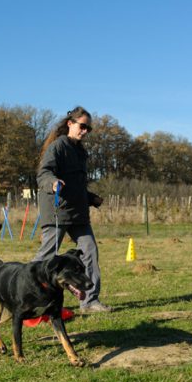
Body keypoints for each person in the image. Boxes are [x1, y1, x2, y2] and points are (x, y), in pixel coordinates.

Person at [33, 106, 111, 313]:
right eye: (82, 126)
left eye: (88, 129)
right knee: (46, 257)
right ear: (70, 123)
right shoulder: (58, 146)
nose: (85, 131)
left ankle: (90, 301)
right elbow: (44, 174)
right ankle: (29, 294)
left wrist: (90, 198)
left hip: (78, 214)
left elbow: (75, 185)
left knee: (90, 252)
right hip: (57, 211)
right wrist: (52, 182)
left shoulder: (81, 151)